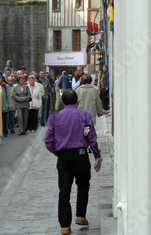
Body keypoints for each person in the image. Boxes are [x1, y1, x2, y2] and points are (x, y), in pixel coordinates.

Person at [44, 90, 102, 235]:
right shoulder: (84, 115)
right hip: (81, 156)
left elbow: (48, 140)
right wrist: (97, 154)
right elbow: (91, 137)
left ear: (62, 102)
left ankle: (65, 225)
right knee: (83, 185)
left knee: (64, 191)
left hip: (64, 157)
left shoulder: (54, 118)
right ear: (77, 101)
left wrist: (56, 151)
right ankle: (81, 216)